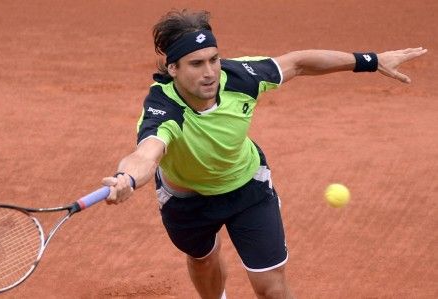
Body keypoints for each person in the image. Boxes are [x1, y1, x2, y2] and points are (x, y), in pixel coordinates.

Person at [100, 9, 427, 299]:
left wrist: (370, 61)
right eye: (196, 64)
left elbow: (297, 62)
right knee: (202, 259)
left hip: (246, 189)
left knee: (271, 288)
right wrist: (126, 178)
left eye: (213, 59)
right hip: (188, 204)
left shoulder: (241, 77)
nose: (210, 72)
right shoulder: (163, 107)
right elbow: (147, 153)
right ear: (173, 68)